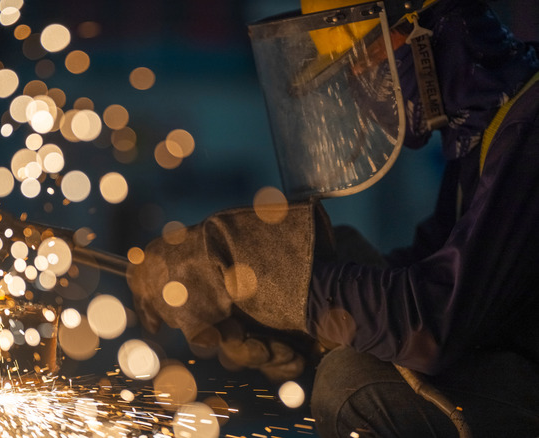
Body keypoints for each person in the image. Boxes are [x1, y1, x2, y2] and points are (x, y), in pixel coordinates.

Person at [127, 0, 539, 436]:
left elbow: (435, 322)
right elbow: (433, 272)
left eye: (369, 60)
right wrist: (285, 307)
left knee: (356, 386)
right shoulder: (483, 133)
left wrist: (293, 281)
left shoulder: (527, 128)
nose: (361, 85)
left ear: (429, 32)